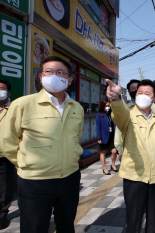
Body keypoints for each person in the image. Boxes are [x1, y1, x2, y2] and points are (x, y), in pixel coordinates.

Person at [0, 56, 84, 233]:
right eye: (49, 71)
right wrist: (25, 163)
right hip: (34, 181)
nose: (54, 75)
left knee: (66, 226)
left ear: (69, 80)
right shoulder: (22, 104)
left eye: (60, 72)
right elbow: (7, 140)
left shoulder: (77, 107)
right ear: (40, 77)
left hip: (70, 177)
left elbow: (76, 137)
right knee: (34, 228)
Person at [106, 78, 155, 233]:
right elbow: (119, 113)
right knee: (134, 220)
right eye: (140, 92)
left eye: (147, 93)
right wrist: (116, 99)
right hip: (135, 177)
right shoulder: (127, 116)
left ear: (154, 98)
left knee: (153, 220)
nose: (142, 95)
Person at [0, 80, 14, 230]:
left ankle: (2, 216)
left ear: (8, 93)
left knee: (4, 188)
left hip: (5, 156)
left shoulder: (13, 109)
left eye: (1, 89)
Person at [96, 99, 118, 175]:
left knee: (114, 151)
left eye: (108, 106)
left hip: (112, 135)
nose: (107, 107)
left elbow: (114, 124)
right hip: (103, 136)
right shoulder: (99, 115)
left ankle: (113, 164)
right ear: (102, 106)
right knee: (103, 152)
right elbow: (98, 126)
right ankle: (104, 168)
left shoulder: (111, 114)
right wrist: (99, 137)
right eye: (106, 106)